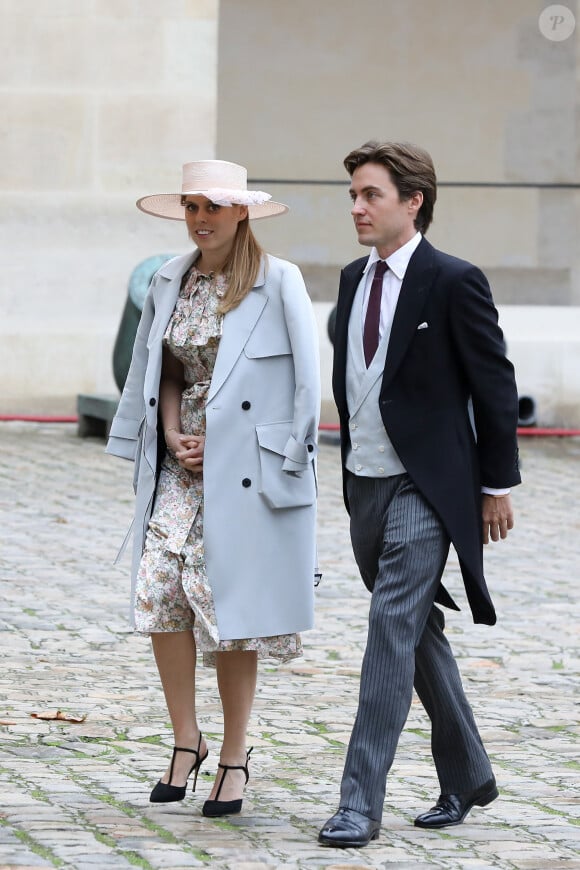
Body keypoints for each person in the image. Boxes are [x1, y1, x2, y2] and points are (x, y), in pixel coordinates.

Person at [318, 141, 521, 848]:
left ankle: (357, 803)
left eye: (370, 194)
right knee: (414, 631)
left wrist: (496, 485)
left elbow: (494, 387)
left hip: (427, 489)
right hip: (364, 486)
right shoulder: (351, 279)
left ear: (413, 202)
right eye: (353, 194)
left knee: (388, 628)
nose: (356, 207)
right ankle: (468, 771)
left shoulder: (454, 280)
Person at [106, 159, 320, 817]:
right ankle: (184, 739)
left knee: (230, 614)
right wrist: (172, 434)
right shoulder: (171, 278)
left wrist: (229, 449)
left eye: (213, 208)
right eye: (193, 206)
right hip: (181, 463)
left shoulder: (278, 281)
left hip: (247, 470)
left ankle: (233, 754)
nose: (201, 219)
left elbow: (304, 388)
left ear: (242, 214)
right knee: (157, 592)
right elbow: (162, 370)